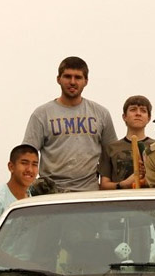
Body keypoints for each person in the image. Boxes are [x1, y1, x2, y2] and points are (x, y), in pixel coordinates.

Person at [22, 56, 117, 192]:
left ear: (86, 81)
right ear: (58, 79)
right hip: (51, 193)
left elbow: (111, 155)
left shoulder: (101, 114)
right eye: (67, 76)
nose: (72, 82)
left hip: (90, 192)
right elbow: (27, 155)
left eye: (78, 77)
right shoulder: (41, 114)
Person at [99, 95, 155, 190]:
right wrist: (123, 184)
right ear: (124, 116)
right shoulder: (111, 148)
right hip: (121, 202)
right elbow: (104, 185)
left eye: (143, 110)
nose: (138, 114)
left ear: (149, 118)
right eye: (133, 110)